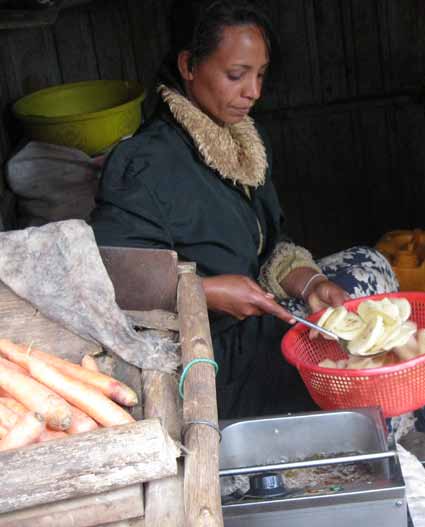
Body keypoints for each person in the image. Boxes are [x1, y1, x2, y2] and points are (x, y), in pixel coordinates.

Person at [88, 0, 399, 420]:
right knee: (355, 368)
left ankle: (378, 430)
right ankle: (366, 438)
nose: (253, 91)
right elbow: (116, 282)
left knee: (371, 269)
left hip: (257, 312)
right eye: (236, 75)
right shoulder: (144, 164)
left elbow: (271, 242)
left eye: (260, 75)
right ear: (188, 65)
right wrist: (209, 293)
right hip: (209, 352)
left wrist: (310, 285)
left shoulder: (241, 145)